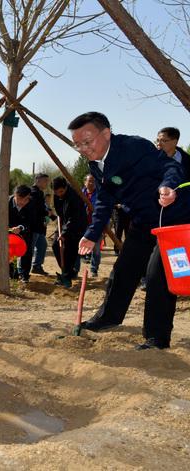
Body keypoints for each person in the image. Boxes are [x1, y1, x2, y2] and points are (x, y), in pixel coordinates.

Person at [69, 112, 190, 349]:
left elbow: (169, 167)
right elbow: (104, 198)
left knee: (158, 276)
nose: (83, 149)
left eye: (87, 141)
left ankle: (157, 337)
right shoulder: (95, 163)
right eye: (78, 145)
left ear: (105, 133)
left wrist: (168, 186)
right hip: (143, 220)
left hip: (172, 219)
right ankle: (109, 318)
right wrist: (92, 234)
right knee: (124, 270)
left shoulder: (133, 147)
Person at [52, 177, 88, 288]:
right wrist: (61, 231)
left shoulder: (74, 196)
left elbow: (74, 218)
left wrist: (64, 233)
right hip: (64, 224)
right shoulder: (57, 195)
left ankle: (66, 277)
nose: (59, 194)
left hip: (76, 226)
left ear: (66, 187)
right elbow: (59, 211)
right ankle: (67, 272)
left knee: (70, 251)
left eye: (61, 192)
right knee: (55, 245)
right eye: (56, 192)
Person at [9, 185, 34, 283]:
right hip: (10, 233)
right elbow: (1, 218)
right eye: (19, 199)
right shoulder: (6, 202)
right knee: (11, 253)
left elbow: (31, 221)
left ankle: (25, 276)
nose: (22, 202)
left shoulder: (32, 204)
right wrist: (11, 229)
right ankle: (13, 275)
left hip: (25, 232)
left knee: (27, 253)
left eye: (25, 199)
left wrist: (20, 227)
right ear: (15, 195)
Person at [29, 173, 50, 275]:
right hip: (33, 226)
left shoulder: (40, 193)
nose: (47, 183)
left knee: (42, 245)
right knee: (30, 248)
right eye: (45, 181)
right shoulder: (33, 192)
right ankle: (21, 269)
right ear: (38, 181)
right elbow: (36, 209)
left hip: (39, 226)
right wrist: (47, 213)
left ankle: (37, 266)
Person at [81, 174, 102, 277]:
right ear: (85, 182)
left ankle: (94, 269)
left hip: (96, 225)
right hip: (83, 224)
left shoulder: (99, 194)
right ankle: (77, 268)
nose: (91, 183)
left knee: (96, 249)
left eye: (93, 181)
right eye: (89, 181)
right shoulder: (81, 193)